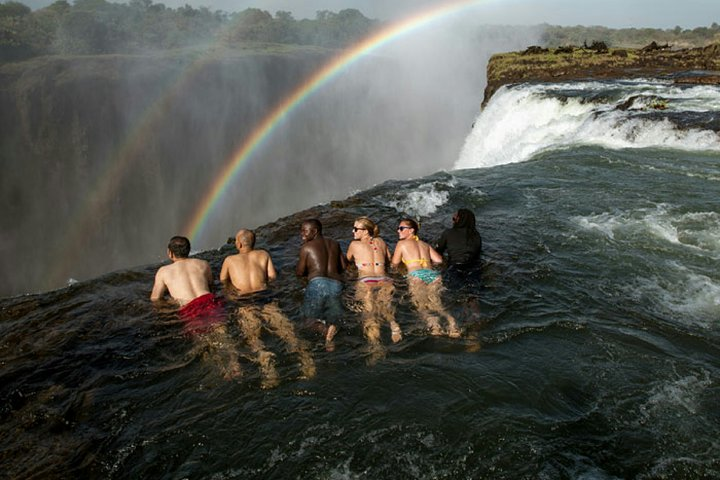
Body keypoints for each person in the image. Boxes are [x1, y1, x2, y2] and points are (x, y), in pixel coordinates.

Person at [221, 229, 315, 388]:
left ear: (238, 243)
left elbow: (223, 281)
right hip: (265, 296)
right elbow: (272, 277)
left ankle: (269, 369)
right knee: (287, 330)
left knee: (253, 337)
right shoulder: (263, 255)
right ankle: (307, 361)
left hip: (244, 301)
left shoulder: (229, 260)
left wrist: (230, 295)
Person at [151, 235, 240, 379]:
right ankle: (235, 364)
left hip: (189, 307)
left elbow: (155, 298)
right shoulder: (203, 264)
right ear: (189, 250)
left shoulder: (163, 271)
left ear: (170, 253)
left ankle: (221, 369)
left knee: (203, 339)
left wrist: (170, 305)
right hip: (209, 300)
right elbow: (211, 285)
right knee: (222, 333)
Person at [391, 219, 461, 338]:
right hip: (432, 275)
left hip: (416, 275)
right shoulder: (425, 245)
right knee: (437, 304)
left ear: (411, 230)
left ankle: (435, 327)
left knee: (421, 306)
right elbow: (438, 260)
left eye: (401, 228)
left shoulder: (401, 244)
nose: (398, 231)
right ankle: (452, 323)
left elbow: (394, 263)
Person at [346, 217, 401, 359]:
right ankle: (394, 326)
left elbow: (347, 262)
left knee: (370, 315)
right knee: (386, 308)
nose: (353, 231)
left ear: (365, 231)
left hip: (366, 280)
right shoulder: (381, 241)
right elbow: (389, 260)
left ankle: (376, 346)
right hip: (385, 280)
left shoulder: (354, 244)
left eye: (356, 229)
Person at [296, 218, 346, 349]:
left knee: (307, 321)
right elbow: (343, 267)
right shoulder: (335, 244)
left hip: (317, 284)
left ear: (315, 231)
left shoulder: (306, 247)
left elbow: (300, 272)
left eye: (304, 231)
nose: (302, 235)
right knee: (335, 318)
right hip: (337, 284)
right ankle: (330, 340)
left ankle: (325, 330)